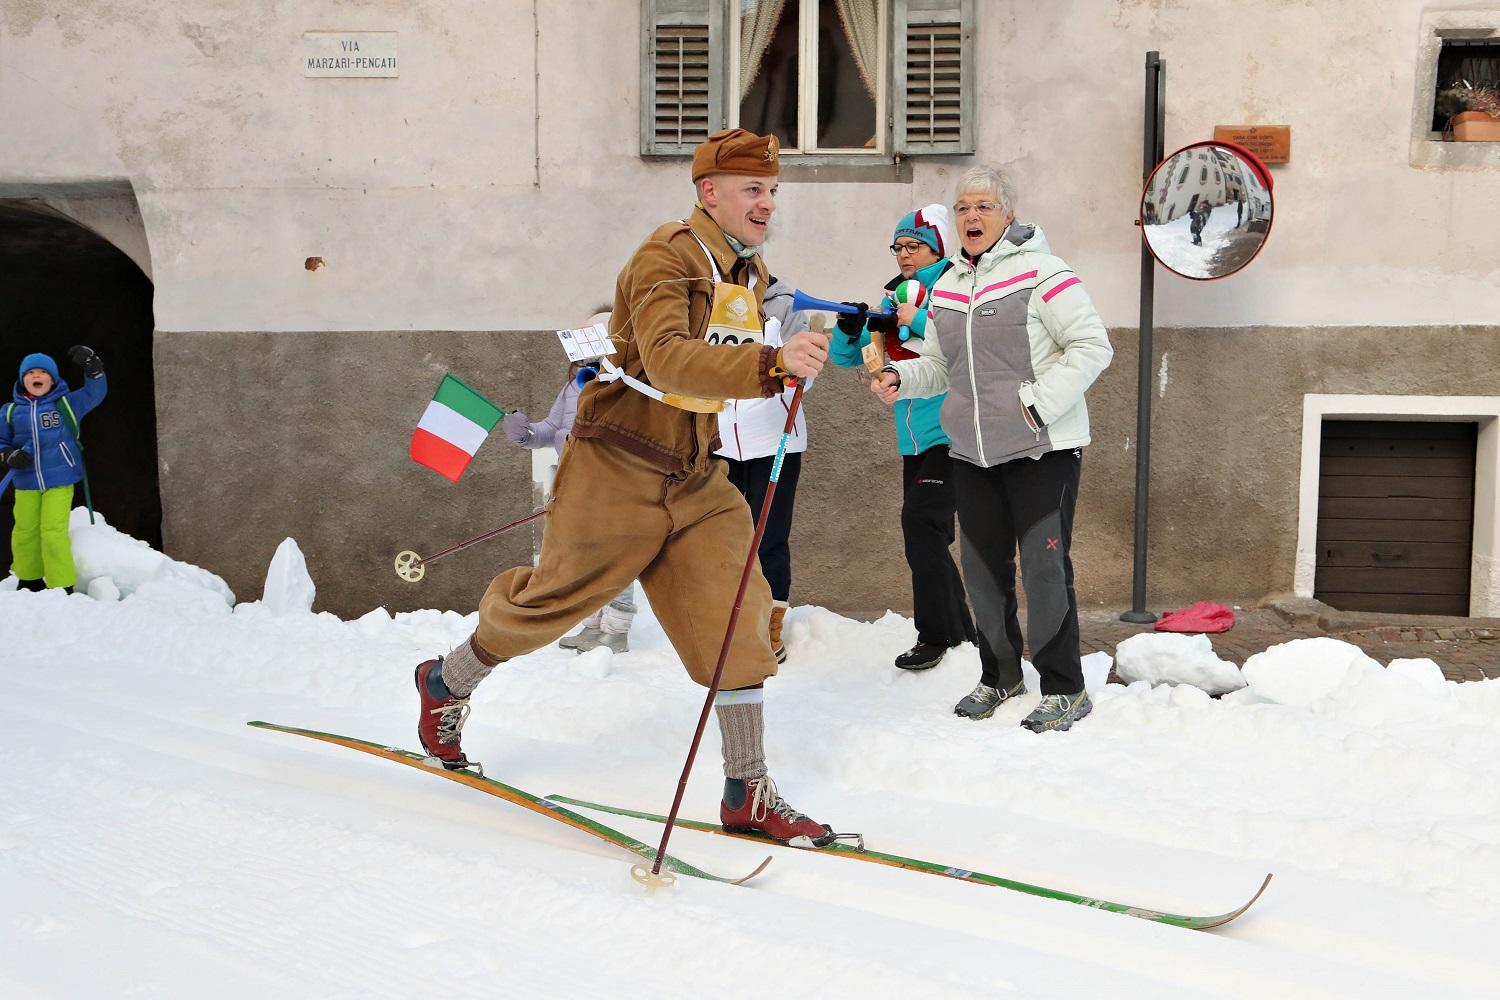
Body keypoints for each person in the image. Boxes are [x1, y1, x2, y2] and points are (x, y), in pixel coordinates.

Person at [412, 128, 840, 845]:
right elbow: (670, 361)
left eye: (772, 190)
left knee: (737, 608)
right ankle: (446, 683)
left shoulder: (749, 274)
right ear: (711, 192)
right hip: (617, 464)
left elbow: (727, 364)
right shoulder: (664, 258)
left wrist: (794, 362)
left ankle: (748, 789)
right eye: (753, 189)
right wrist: (771, 363)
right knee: (552, 601)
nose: (768, 203)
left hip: (696, 472)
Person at [872, 166, 1113, 733]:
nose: (971, 217)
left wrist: (1035, 404)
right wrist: (901, 380)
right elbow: (938, 365)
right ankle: (1000, 674)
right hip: (971, 453)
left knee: (1044, 568)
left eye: (983, 206)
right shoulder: (950, 285)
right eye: (962, 208)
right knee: (982, 571)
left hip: (1041, 448)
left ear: (1008, 214)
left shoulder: (1044, 272)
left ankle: (1064, 687)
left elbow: (1091, 346)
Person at [829, 205, 976, 672]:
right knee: (926, 532)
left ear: (936, 248)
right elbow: (854, 361)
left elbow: (953, 347)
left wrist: (913, 317)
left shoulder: (953, 286)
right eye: (898, 247)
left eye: (914, 246)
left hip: (949, 431)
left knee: (921, 527)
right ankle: (961, 633)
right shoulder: (891, 296)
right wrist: (849, 330)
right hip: (912, 438)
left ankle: (936, 636)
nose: (904, 254)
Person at [501, 312, 637, 654]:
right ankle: (592, 623)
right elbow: (550, 429)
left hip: (611, 482)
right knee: (582, 555)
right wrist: (525, 433)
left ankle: (616, 628)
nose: (586, 356)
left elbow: (622, 431)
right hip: (573, 483)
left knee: (613, 553)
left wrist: (573, 436)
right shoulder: (572, 385)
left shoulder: (628, 382)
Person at [715, 276, 811, 663]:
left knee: (768, 537)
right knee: (727, 537)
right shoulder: (710, 297)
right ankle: (731, 621)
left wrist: (793, 371)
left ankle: (768, 626)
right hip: (721, 441)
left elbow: (803, 371)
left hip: (775, 440)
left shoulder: (785, 304)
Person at [1, 347, 108, 593]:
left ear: (52, 379)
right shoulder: (10, 411)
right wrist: (8, 454)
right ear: (22, 379)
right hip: (26, 483)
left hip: (59, 480)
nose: (36, 376)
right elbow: (1, 440)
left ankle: (62, 584)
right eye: (30, 372)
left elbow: (95, 393)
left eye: (42, 372)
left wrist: (94, 368)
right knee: (24, 531)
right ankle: (29, 580)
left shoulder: (66, 403)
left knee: (52, 531)